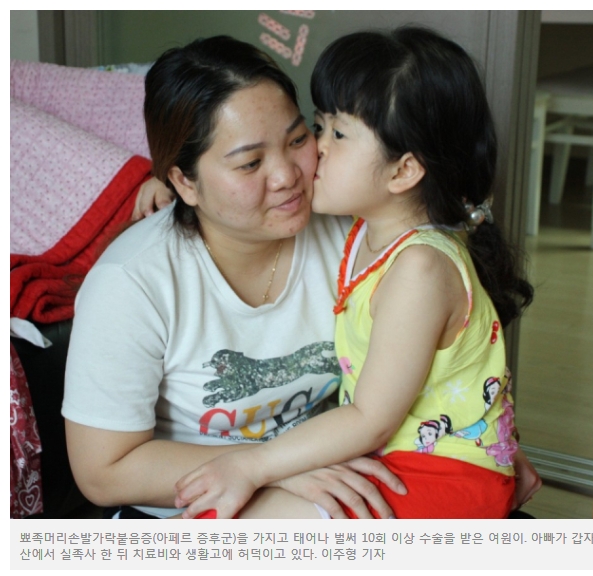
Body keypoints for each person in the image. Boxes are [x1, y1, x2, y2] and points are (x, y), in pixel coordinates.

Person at [173, 27, 535, 519]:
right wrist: (177, 188)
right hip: (394, 457)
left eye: (338, 134)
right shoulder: (366, 230)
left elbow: (369, 419)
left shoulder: (420, 268)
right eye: (318, 126)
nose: (315, 149)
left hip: (442, 475)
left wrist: (251, 464)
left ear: (403, 171)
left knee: (221, 517)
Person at [62, 35, 407, 520]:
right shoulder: (131, 282)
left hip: (324, 476)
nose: (287, 175)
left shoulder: (351, 233)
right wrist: (272, 467)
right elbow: (103, 471)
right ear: (184, 182)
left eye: (298, 139)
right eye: (250, 163)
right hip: (187, 508)